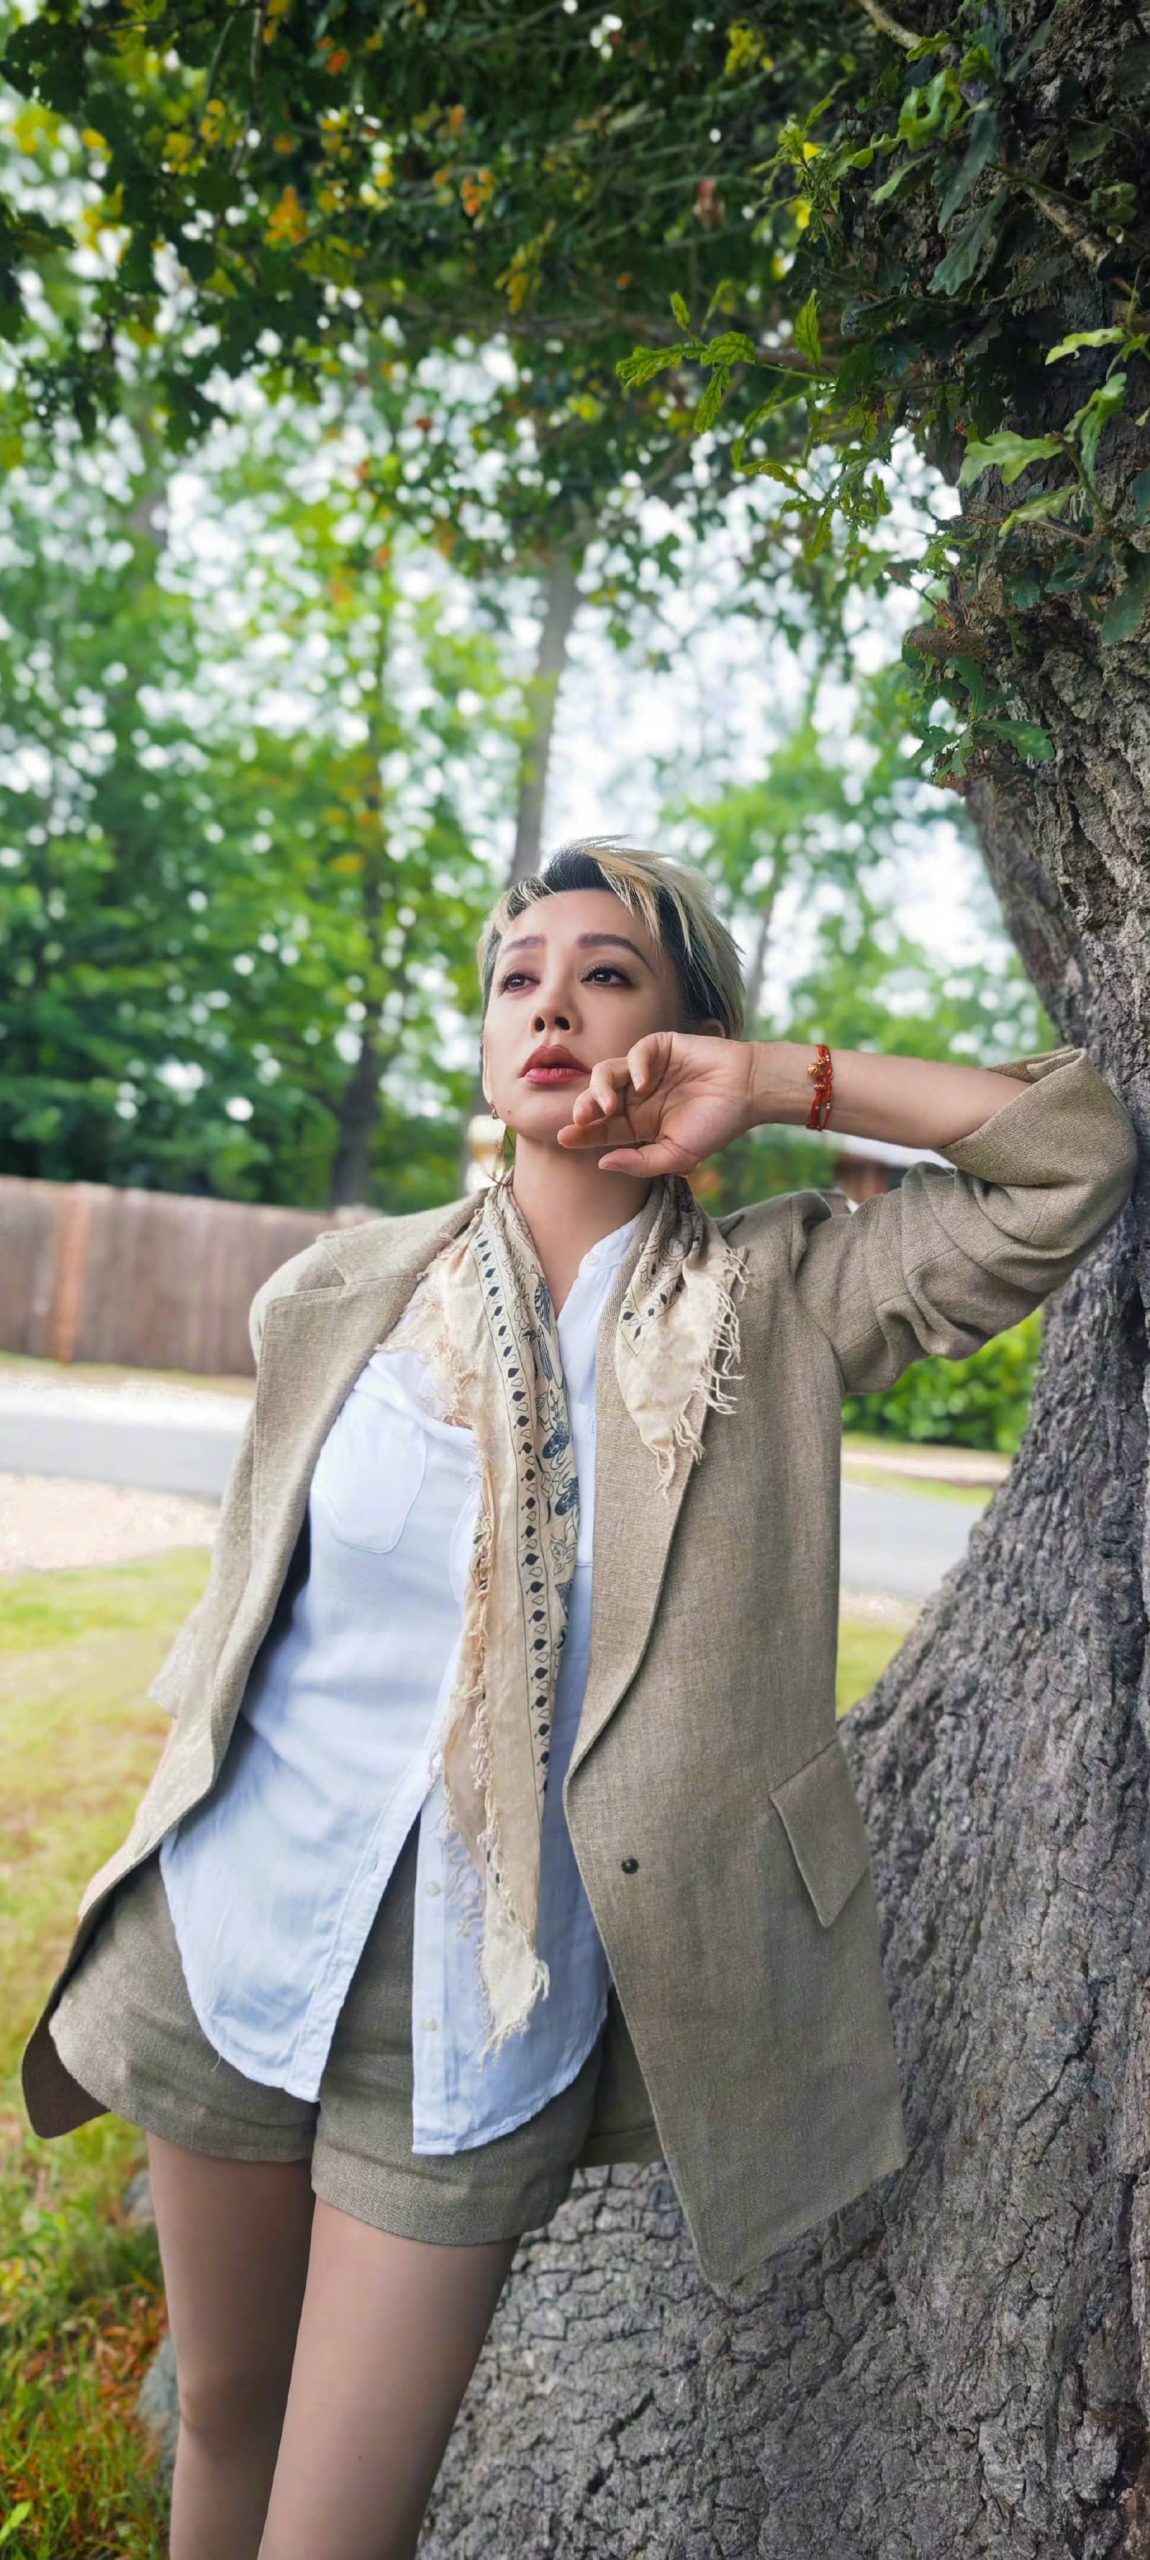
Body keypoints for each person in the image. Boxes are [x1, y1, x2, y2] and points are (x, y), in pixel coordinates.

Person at [21, 839, 1139, 2560]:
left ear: (684, 1034)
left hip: (486, 2005)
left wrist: (778, 1084)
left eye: (607, 975)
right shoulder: (338, 1295)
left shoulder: (774, 1306)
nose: (550, 1003)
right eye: (517, 977)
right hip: (231, 1932)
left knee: (336, 2528)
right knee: (226, 2419)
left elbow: (1066, 1159)